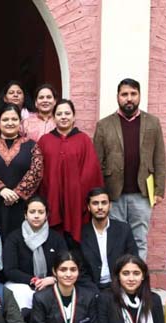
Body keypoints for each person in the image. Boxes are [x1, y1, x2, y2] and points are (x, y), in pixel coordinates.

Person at [93, 78, 166, 259]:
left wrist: (159, 191)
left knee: (139, 239)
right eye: (124, 94)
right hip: (113, 195)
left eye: (133, 94)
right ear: (117, 97)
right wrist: (100, 194)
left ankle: (138, 275)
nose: (129, 98)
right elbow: (96, 162)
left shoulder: (152, 123)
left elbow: (159, 158)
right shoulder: (104, 125)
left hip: (142, 194)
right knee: (115, 239)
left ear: (139, 96)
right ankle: (116, 275)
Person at [38, 99, 103, 243]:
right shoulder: (45, 141)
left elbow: (91, 170)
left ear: (74, 117)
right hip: (52, 197)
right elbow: (39, 171)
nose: (63, 117)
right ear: (54, 117)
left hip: (76, 200)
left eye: (67, 113)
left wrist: (78, 191)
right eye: (59, 114)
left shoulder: (84, 140)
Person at [0, 104, 43, 236]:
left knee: (19, 241)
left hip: (21, 204)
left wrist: (17, 193)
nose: (10, 123)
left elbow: (36, 171)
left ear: (20, 122)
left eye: (14, 119)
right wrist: (1, 189)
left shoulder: (32, 145)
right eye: (5, 119)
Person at [3, 196, 68, 310]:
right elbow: (10, 270)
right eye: (32, 212)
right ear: (25, 214)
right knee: (22, 293)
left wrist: (53, 279)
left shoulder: (56, 238)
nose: (36, 216)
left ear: (46, 215)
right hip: (21, 285)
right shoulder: (14, 238)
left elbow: (66, 265)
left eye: (41, 212)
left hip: (51, 283)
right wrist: (34, 280)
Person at [79, 187, 138, 290]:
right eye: (95, 203)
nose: (100, 207)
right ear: (88, 207)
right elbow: (80, 269)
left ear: (110, 205)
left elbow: (132, 259)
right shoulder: (81, 233)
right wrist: (94, 292)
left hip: (119, 287)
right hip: (91, 289)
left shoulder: (123, 230)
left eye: (104, 203)